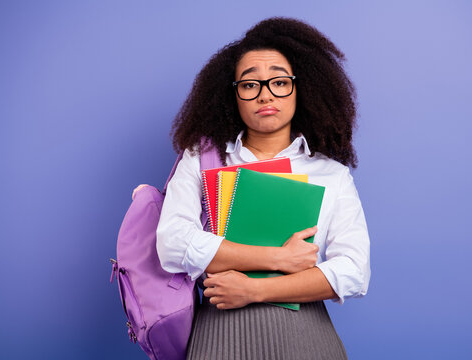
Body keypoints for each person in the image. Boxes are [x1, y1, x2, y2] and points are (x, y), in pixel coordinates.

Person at [154, 17, 370, 360]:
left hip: (307, 340)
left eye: (279, 82)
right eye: (250, 84)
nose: (265, 93)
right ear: (233, 95)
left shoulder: (332, 174)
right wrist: (278, 258)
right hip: (219, 339)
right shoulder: (202, 159)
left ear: (302, 89)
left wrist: (254, 289)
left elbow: (354, 272)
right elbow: (172, 243)